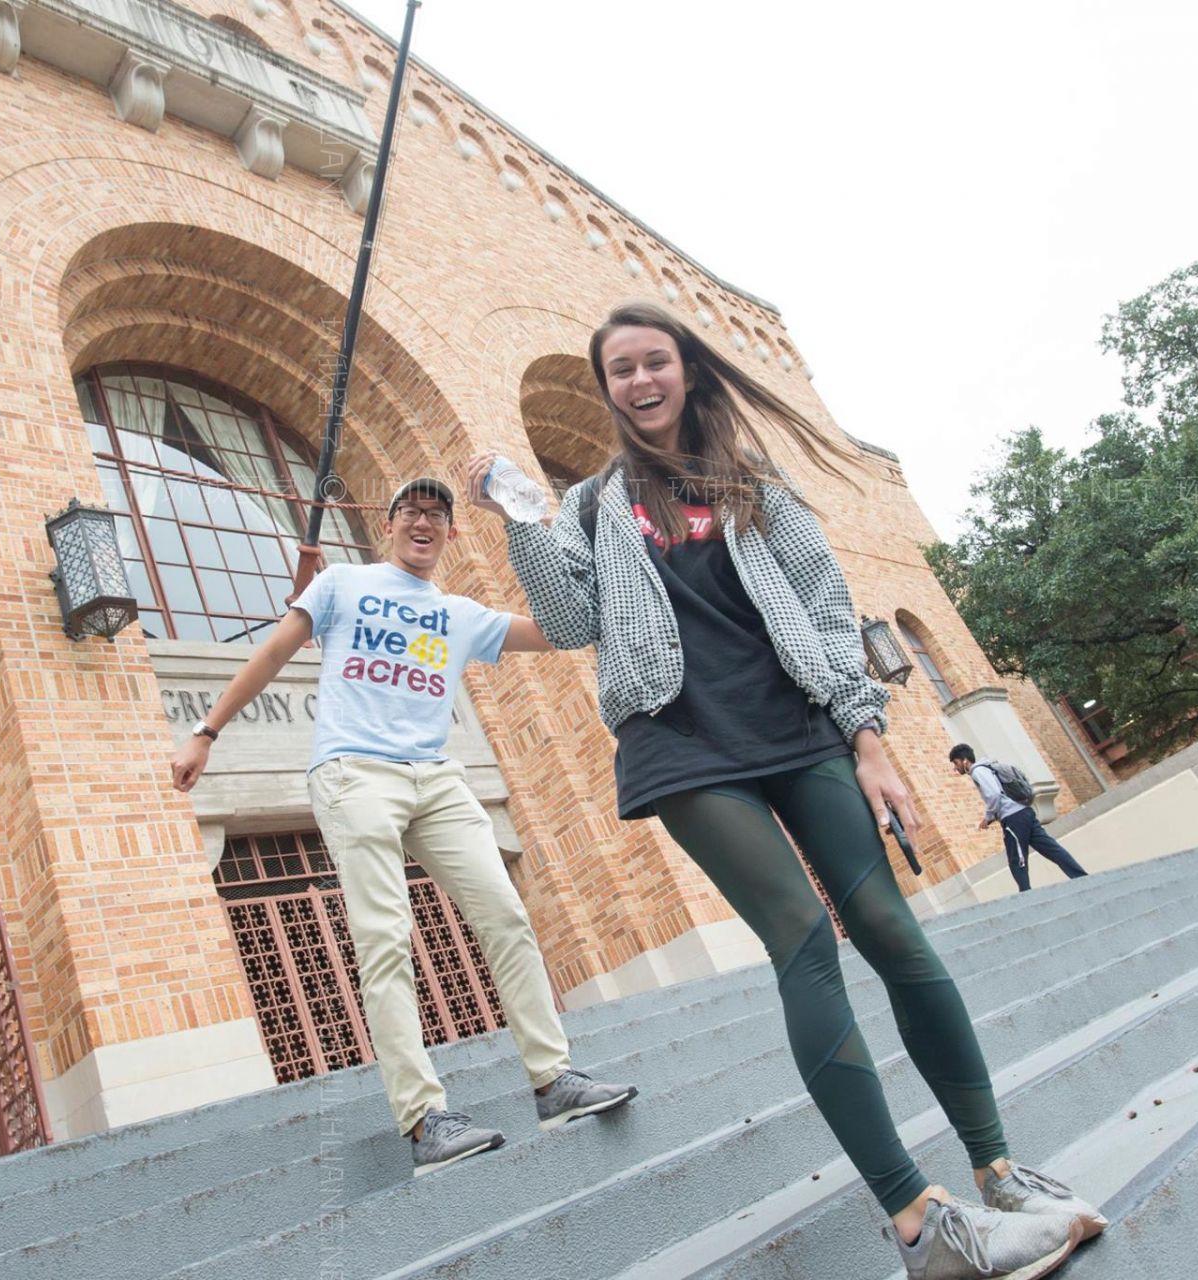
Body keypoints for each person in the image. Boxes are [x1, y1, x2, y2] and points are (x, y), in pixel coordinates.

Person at [471, 300, 1105, 1279]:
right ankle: (917, 1222)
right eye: (619, 370)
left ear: (686, 372)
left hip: (802, 723)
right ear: (608, 393)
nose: (638, 380)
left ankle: (1000, 1170)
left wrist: (871, 738)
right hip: (681, 743)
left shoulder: (751, 482)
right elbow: (567, 621)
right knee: (804, 942)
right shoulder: (591, 504)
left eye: (653, 362)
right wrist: (519, 517)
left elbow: (822, 604)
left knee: (892, 929)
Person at [171, 477, 636, 1177]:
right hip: (355, 773)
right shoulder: (343, 585)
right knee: (385, 937)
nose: (424, 521)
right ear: (387, 525)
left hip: (435, 776)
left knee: (505, 914)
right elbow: (272, 653)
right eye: (411, 511)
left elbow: (564, 630)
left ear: (450, 536)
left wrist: (538, 535)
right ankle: (424, 1120)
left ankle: (554, 1080)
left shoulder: (460, 613)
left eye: (437, 515)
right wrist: (206, 731)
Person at [949, 745, 1089, 893]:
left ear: (965, 761)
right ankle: (1081, 877)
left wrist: (988, 817)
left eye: (956, 763)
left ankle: (1026, 895)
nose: (955, 769)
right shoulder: (988, 767)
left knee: (1016, 859)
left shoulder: (978, 771)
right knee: (1052, 849)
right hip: (1025, 812)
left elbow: (995, 794)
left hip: (1013, 818)